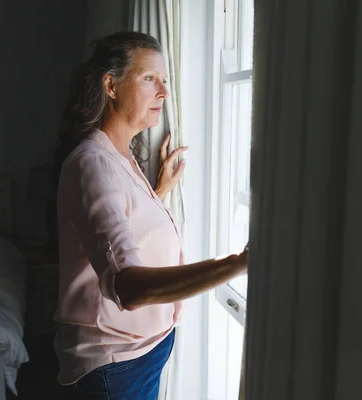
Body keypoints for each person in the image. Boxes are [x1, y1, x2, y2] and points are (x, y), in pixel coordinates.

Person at [52, 31, 248, 399]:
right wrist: (238, 264)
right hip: (116, 364)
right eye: (149, 79)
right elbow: (128, 286)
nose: (164, 92)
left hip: (141, 352)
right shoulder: (92, 164)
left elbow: (112, 229)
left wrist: (157, 194)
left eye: (165, 81)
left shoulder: (119, 155)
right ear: (111, 85)